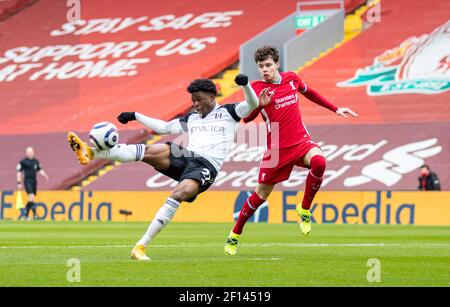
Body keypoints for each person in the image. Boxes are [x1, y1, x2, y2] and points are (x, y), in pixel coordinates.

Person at [67, 75, 266, 260]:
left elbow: (252, 104)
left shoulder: (229, 112)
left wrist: (245, 85)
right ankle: (91, 152)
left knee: (178, 194)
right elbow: (163, 128)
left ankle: (141, 247)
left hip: (206, 166)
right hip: (187, 157)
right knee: (148, 151)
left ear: (212, 96)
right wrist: (136, 115)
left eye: (198, 99)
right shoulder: (192, 118)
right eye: (192, 100)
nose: (195, 103)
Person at [224, 45, 358, 256]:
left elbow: (311, 93)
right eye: (261, 66)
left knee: (320, 162)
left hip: (300, 142)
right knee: (261, 195)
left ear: (277, 64)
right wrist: (260, 104)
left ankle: (304, 210)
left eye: (268, 65)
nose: (264, 70)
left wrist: (335, 108)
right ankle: (235, 233)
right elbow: (247, 118)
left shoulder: (292, 79)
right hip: (276, 150)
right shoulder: (258, 88)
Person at [16, 147, 50, 220]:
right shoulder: (23, 162)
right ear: (26, 153)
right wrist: (19, 182)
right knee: (31, 196)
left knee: (32, 198)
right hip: (27, 181)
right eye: (28, 152)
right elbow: (18, 171)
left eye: (31, 152)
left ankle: (27, 215)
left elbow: (40, 170)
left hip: (34, 181)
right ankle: (31, 214)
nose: (30, 153)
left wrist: (45, 176)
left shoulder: (36, 161)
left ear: (33, 152)